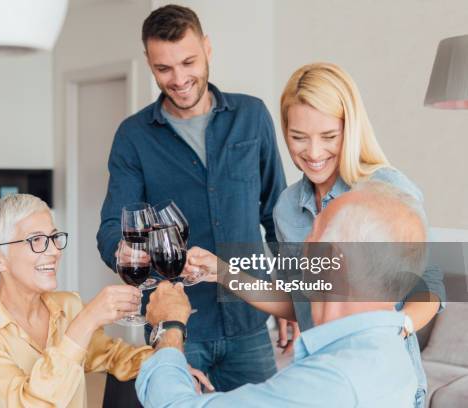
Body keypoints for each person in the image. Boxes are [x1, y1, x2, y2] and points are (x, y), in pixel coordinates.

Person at [184, 62, 444, 406]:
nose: (314, 152)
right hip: (318, 380)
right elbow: (300, 303)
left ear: (349, 128)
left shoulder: (387, 189)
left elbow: (430, 288)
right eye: (298, 138)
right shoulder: (288, 207)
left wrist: (395, 330)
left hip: (378, 384)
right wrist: (221, 272)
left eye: (328, 137)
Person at [96, 4, 286, 391]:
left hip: (249, 317)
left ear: (208, 49)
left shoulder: (252, 116)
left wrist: (289, 295)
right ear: (149, 63)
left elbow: (276, 215)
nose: (179, 79)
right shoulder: (133, 136)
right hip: (179, 325)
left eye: (189, 62)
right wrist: (126, 253)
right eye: (163, 69)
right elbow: (112, 227)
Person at [137, 181, 428, 407]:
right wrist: (224, 272)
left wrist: (169, 328)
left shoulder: (332, 382)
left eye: (312, 236)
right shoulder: (389, 352)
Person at [0, 194, 154, 407]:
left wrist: (170, 363)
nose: (54, 251)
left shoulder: (67, 305)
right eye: (36, 240)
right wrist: (86, 321)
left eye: (53, 238)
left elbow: (113, 355)